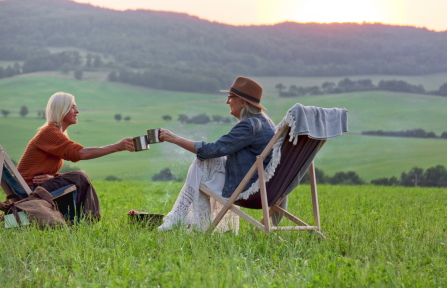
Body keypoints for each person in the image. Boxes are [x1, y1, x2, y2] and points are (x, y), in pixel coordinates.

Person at [157, 77, 276, 232]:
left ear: (242, 102)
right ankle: (180, 218)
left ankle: (181, 220)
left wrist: (175, 139)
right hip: (268, 189)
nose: (227, 102)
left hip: (249, 189)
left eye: (231, 97)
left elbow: (212, 150)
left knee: (202, 161)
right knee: (203, 162)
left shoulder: (250, 125)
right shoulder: (266, 124)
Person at [17, 92, 135, 222]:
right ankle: (87, 220)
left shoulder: (57, 132)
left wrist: (53, 177)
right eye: (72, 107)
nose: (77, 111)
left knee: (77, 177)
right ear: (61, 110)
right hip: (28, 189)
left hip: (37, 186)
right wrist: (117, 147)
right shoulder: (49, 132)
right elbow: (80, 153)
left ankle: (81, 220)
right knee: (79, 177)